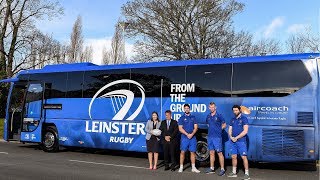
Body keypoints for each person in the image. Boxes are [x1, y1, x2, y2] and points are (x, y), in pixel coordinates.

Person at [227, 105, 250, 180]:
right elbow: (230, 129)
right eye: (234, 110)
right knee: (234, 156)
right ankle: (234, 172)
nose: (235, 112)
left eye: (236, 110)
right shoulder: (232, 119)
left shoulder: (244, 119)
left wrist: (236, 138)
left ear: (240, 110)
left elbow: (245, 131)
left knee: (244, 157)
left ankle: (247, 174)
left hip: (241, 141)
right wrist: (231, 137)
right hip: (233, 141)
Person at [205, 102, 226, 176]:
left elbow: (224, 124)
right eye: (210, 107)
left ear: (215, 107)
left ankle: (222, 169)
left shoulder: (219, 115)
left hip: (217, 137)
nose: (211, 108)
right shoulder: (208, 116)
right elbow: (208, 124)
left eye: (213, 107)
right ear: (209, 108)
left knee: (219, 153)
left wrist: (219, 130)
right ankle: (212, 168)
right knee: (211, 152)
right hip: (210, 137)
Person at [177, 104, 200, 173]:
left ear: (189, 109)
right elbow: (180, 128)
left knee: (192, 152)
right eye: (185, 108)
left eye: (188, 108)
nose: (186, 109)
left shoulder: (193, 117)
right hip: (184, 137)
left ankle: (193, 167)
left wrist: (192, 134)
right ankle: (181, 167)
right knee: (182, 152)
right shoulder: (181, 118)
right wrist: (187, 134)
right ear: (184, 109)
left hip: (192, 137)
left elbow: (196, 127)